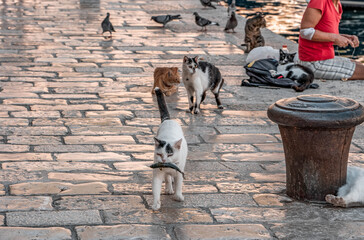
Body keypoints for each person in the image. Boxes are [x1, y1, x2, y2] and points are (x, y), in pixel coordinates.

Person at [297, 0, 364, 80]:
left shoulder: (337, 4)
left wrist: (344, 38)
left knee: (358, 64)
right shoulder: (319, 1)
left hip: (325, 58)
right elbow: (305, 32)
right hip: (312, 62)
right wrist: (335, 37)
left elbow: (326, 34)